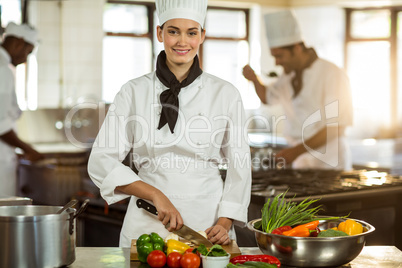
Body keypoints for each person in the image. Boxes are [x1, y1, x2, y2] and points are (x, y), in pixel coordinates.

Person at [88, 0, 251, 247]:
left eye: (191, 32)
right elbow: (101, 159)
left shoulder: (226, 93)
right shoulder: (133, 91)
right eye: (173, 31)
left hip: (207, 221)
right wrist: (155, 194)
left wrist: (224, 222)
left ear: (202, 36)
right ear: (159, 33)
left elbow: (240, 165)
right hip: (147, 219)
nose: (182, 42)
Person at [243, 10, 353, 170]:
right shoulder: (287, 76)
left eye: (280, 56)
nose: (277, 62)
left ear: (297, 48)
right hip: (301, 163)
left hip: (330, 164)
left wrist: (295, 152)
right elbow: (267, 98)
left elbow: (336, 127)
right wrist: (254, 80)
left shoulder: (332, 74)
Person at [0, 22, 44, 197]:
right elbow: (0, 125)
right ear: (19, 42)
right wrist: (28, 149)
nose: (26, 58)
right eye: (28, 51)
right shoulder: (2, 69)